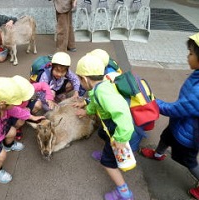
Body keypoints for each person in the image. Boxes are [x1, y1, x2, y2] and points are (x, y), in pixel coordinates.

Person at [140, 32, 199, 199]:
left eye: (191, 53)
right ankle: (158, 154)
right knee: (165, 137)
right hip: (180, 124)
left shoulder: (198, 92)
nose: (188, 56)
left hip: (188, 135)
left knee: (189, 162)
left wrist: (154, 103)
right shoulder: (197, 74)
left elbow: (176, 109)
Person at [74, 54, 135, 200]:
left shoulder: (102, 92)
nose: (80, 83)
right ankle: (109, 151)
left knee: (107, 163)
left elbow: (124, 115)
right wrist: (87, 111)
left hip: (117, 129)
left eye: (79, 80)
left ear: (84, 78)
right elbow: (95, 103)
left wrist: (120, 138)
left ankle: (124, 192)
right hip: (109, 126)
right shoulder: (100, 87)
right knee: (102, 134)